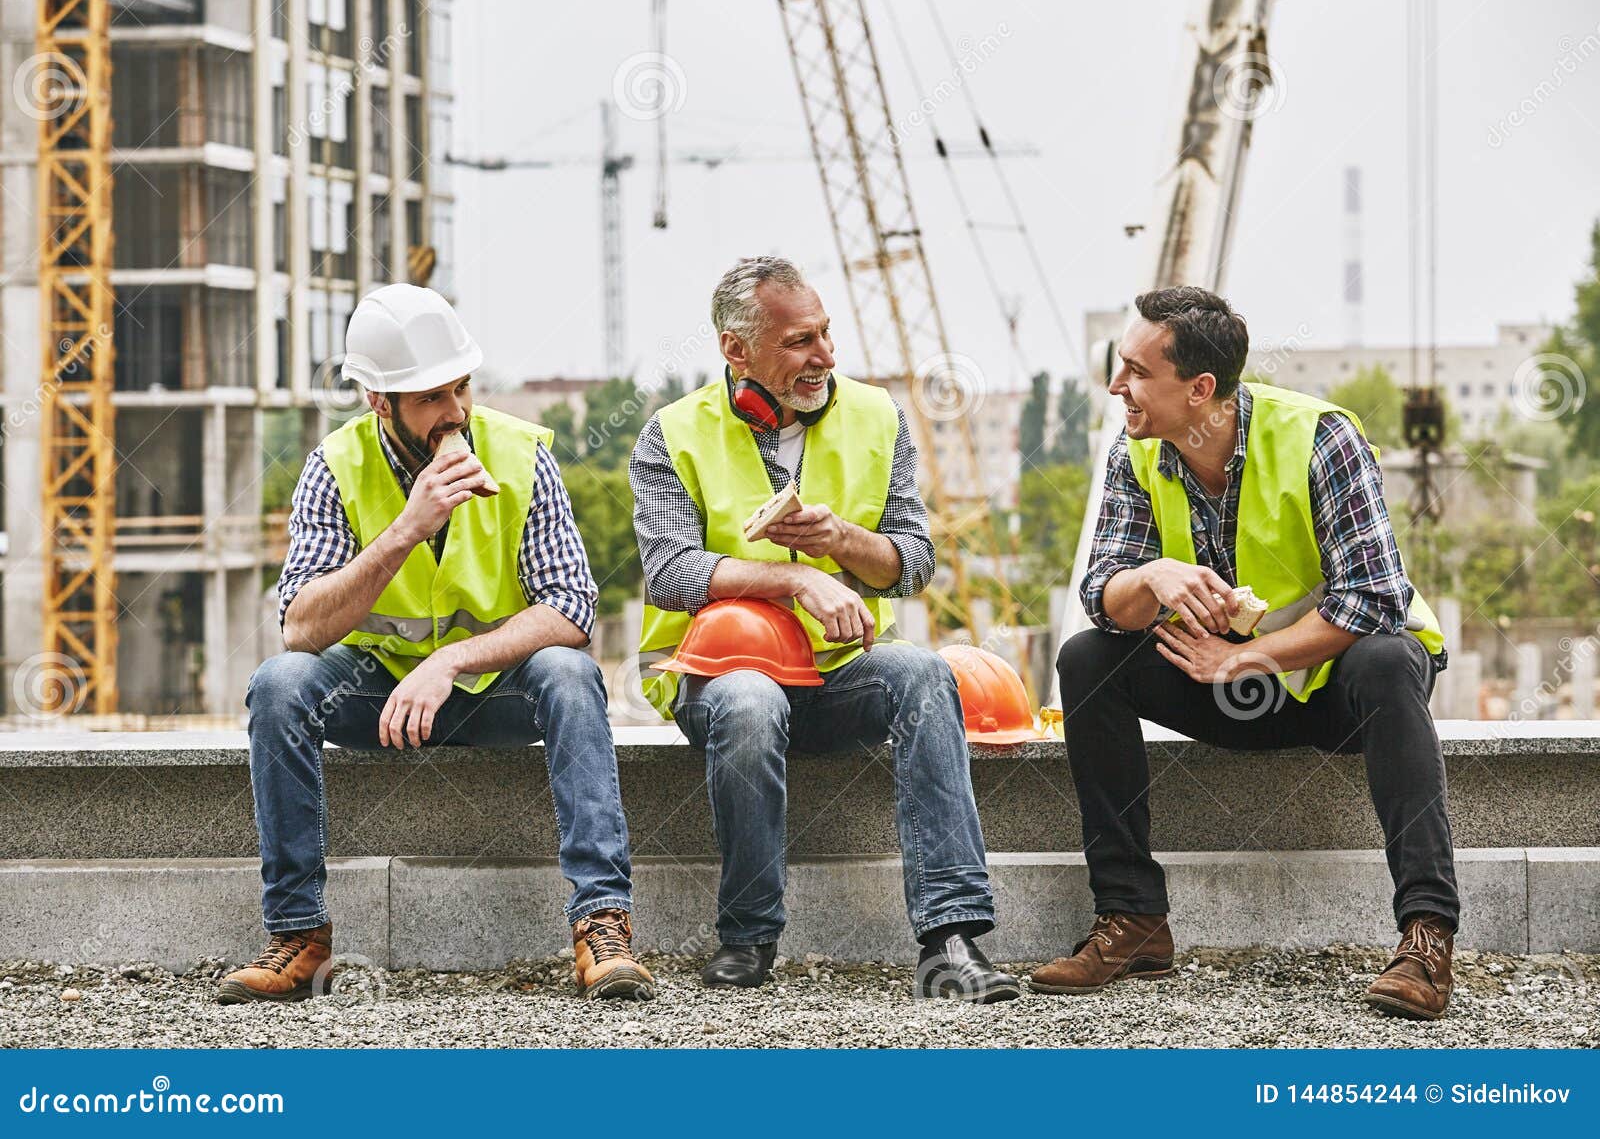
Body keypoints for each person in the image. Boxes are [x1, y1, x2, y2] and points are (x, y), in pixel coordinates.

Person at [1031, 286, 1458, 1020]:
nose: (1115, 386)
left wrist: (1244, 660)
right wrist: (1152, 575)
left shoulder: (1320, 436)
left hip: (1338, 691)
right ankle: (1133, 919)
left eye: (1135, 370)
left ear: (1200, 389)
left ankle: (1426, 935)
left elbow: (1374, 599)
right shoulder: (1134, 454)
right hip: (1225, 686)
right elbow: (1103, 594)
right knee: (1087, 659)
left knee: (1389, 659)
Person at [222, 284, 652, 1004]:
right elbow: (301, 625)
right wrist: (405, 529)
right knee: (278, 684)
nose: (454, 411)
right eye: (430, 397)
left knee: (571, 673)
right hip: (381, 695)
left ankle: (601, 923)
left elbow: (571, 607)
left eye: (461, 388)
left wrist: (450, 659)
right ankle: (298, 934)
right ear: (379, 401)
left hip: (493, 689)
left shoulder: (522, 456)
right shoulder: (336, 465)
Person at [629, 255, 1019, 1002]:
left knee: (927, 674)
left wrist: (840, 541)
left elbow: (911, 563)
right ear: (735, 350)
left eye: (826, 334)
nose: (825, 357)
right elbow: (672, 572)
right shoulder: (672, 435)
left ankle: (952, 938)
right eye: (800, 341)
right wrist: (795, 578)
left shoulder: (878, 416)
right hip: (718, 678)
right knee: (750, 704)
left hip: (840, 670)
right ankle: (748, 934)